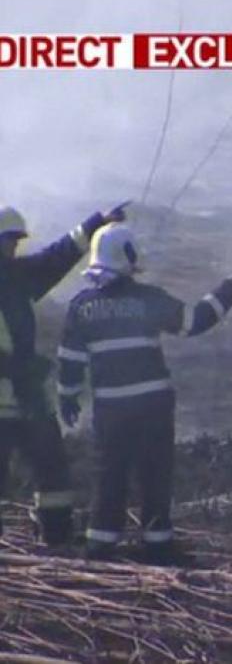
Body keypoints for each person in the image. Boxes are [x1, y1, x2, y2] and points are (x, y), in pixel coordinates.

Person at [56, 223, 232, 564]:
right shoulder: (149, 300)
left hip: (111, 409)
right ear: (128, 257)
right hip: (153, 405)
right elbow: (194, 321)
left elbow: (70, 360)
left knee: (109, 473)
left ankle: (100, 545)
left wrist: (67, 397)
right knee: (154, 473)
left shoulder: (81, 307)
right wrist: (227, 291)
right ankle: (158, 544)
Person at [0, 202, 125, 545]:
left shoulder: (16, 276)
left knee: (53, 470)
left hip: (27, 400)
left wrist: (97, 223)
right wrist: (16, 367)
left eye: (15, 241)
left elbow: (58, 256)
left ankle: (55, 538)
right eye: (8, 240)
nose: (13, 247)